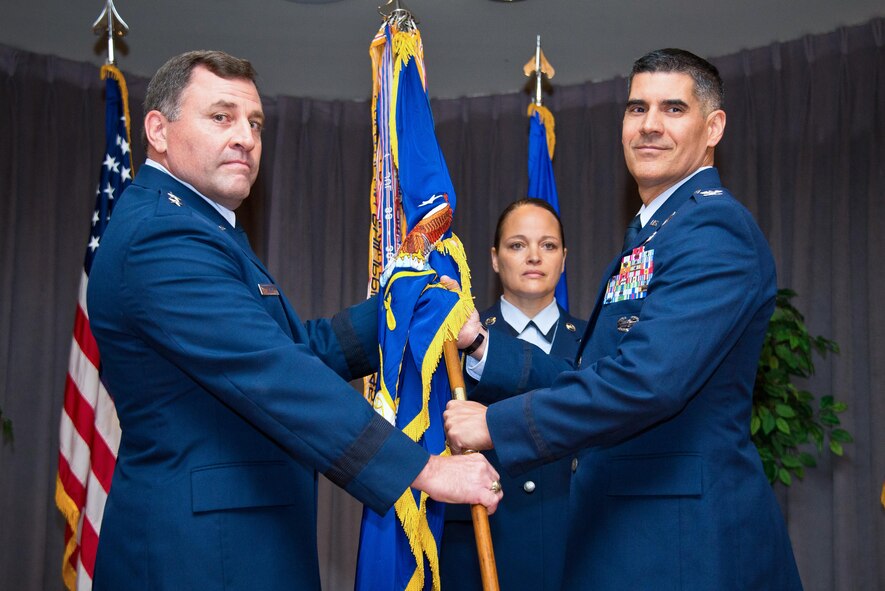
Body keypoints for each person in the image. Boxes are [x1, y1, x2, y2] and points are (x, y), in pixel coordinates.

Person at [86, 50, 501, 591]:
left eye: (255, 123)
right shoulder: (161, 235)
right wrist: (424, 470)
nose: (245, 137)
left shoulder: (202, 227)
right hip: (198, 556)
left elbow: (293, 349)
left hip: (237, 543)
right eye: (221, 116)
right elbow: (272, 372)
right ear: (158, 131)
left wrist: (403, 305)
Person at [444, 48, 803, 590]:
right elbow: (597, 374)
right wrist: (481, 346)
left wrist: (495, 424)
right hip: (632, 536)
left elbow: (646, 381)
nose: (650, 125)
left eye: (673, 109)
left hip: (683, 549)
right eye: (637, 108)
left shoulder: (713, 231)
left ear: (713, 127)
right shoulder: (657, 233)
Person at [440, 198, 585, 590]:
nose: (534, 256)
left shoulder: (595, 344)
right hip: (480, 549)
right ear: (494, 258)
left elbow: (582, 393)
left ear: (564, 259)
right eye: (518, 245)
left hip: (573, 551)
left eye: (548, 245)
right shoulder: (450, 339)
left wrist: (483, 346)